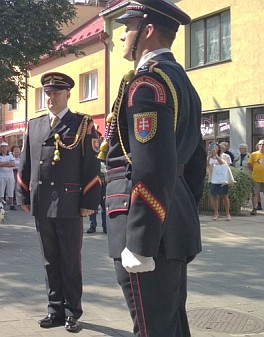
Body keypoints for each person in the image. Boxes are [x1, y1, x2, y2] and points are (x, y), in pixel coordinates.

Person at [99, 2, 207, 336]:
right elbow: (196, 162)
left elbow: (151, 166)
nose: (120, 36)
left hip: (146, 227)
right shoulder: (181, 81)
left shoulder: (148, 84)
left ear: (146, 31)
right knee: (170, 323)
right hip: (170, 217)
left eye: (126, 27)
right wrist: (178, 206)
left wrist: (142, 242)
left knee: (152, 328)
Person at [16, 70, 101, 332]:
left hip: (70, 203)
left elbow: (91, 165)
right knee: (49, 259)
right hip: (42, 202)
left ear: (68, 94)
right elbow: (26, 162)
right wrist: (23, 194)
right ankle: (54, 309)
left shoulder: (83, 124)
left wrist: (89, 200)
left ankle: (73, 311)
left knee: (70, 261)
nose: (51, 97)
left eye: (57, 92)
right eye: (48, 93)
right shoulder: (35, 125)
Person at [208, 143, 232, 221]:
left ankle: (227, 213)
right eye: (212, 147)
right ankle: (216, 213)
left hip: (222, 178)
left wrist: (217, 156)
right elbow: (207, 165)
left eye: (216, 147)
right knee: (214, 195)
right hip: (212, 179)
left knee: (225, 196)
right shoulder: (209, 156)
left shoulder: (224, 156)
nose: (214, 149)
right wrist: (209, 157)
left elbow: (223, 164)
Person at [0, 142, 16, 210]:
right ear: (0, 148)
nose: (4, 149)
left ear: (7, 148)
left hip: (10, 174)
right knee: (1, 189)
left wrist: (3, 163)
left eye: (5, 147)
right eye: (2, 147)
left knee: (10, 188)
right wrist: (7, 162)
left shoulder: (10, 155)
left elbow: (13, 164)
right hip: (1, 174)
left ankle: (11, 204)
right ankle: (0, 204)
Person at [87, 161, 107, 233]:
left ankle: (105, 226)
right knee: (93, 204)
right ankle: (92, 225)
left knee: (104, 205)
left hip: (103, 182)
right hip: (94, 182)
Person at [248, 140, 264, 215]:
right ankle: (254, 208)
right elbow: (249, 165)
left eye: (263, 144)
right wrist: (254, 171)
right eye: (260, 144)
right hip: (256, 178)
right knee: (255, 193)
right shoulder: (254, 154)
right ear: (258, 145)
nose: (261, 146)